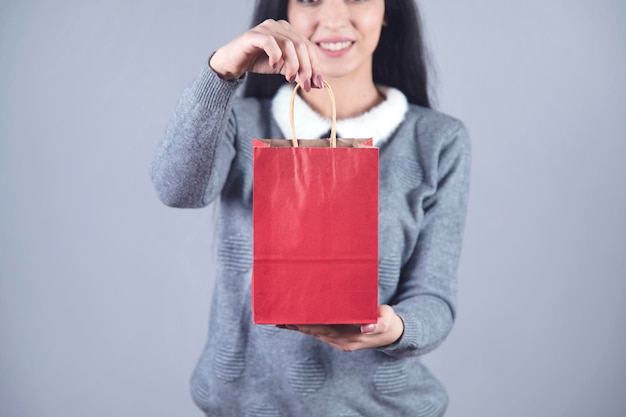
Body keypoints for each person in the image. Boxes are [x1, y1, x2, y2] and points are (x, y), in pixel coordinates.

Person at [151, 0, 471, 415]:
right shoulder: (240, 122)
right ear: (283, 10)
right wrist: (221, 72)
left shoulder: (437, 142)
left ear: (388, 9)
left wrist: (394, 328)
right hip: (242, 406)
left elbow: (434, 298)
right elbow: (176, 190)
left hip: (375, 407)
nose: (333, 18)